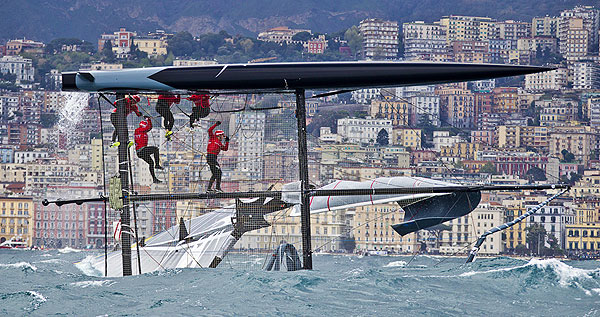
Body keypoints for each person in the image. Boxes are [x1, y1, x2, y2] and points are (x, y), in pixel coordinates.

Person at [134, 116, 163, 184]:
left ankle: (154, 179)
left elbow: (148, 128)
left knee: (151, 163)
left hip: (140, 152)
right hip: (142, 150)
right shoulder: (139, 130)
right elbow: (149, 127)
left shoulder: (140, 131)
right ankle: (157, 165)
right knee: (156, 149)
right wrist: (148, 119)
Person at [206, 121, 229, 192]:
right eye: (222, 135)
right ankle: (217, 188)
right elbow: (209, 130)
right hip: (210, 157)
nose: (223, 137)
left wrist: (227, 141)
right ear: (219, 135)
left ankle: (211, 188)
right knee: (218, 172)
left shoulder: (219, 143)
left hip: (213, 158)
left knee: (216, 173)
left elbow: (225, 149)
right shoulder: (212, 138)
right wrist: (216, 124)